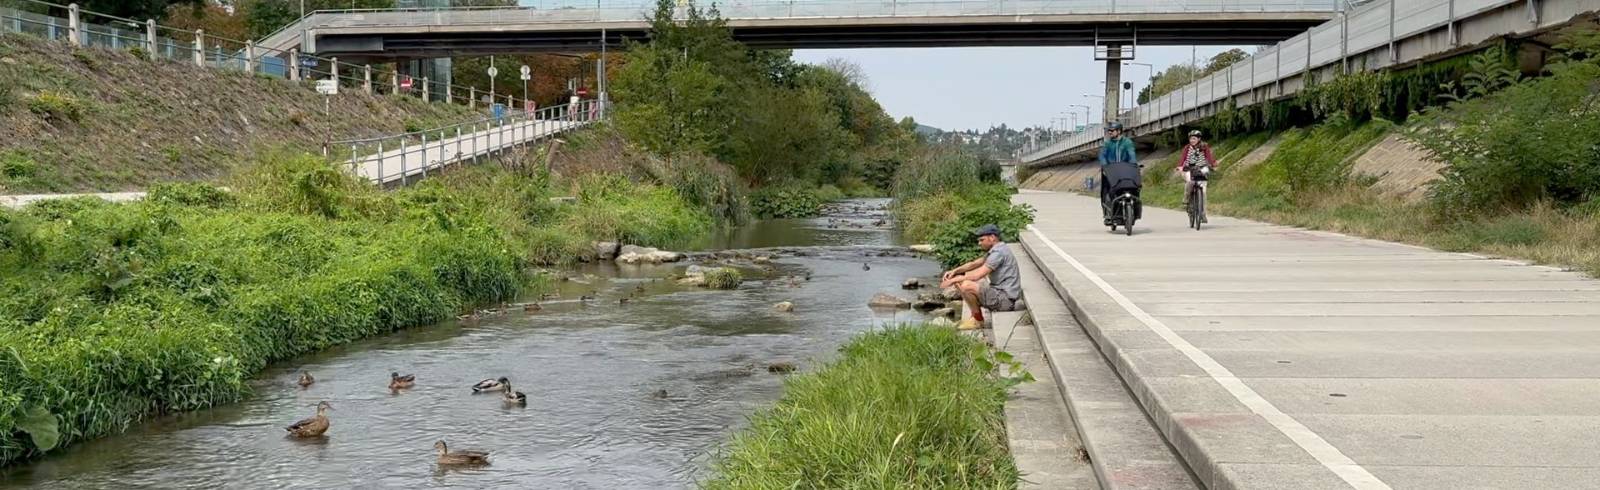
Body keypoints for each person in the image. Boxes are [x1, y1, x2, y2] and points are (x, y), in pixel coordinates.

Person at [939, 224, 1024, 331]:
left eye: (981, 240)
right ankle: (974, 317)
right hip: (998, 294)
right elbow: (974, 264)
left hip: (1005, 300)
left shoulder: (998, 253)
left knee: (967, 285)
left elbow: (977, 275)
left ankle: (978, 321)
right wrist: (954, 271)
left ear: (992, 237)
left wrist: (953, 280)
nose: (979, 243)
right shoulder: (997, 250)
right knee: (961, 283)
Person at [1098, 122, 1138, 224]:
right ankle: (1108, 214)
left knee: (1135, 188)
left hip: (1125, 170)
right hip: (1111, 171)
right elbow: (1102, 156)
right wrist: (1105, 166)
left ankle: (1135, 212)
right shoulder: (1107, 143)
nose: (1109, 132)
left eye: (1112, 130)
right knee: (1107, 191)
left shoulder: (1127, 142)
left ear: (1119, 131)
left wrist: (1133, 165)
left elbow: (1131, 154)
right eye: (1109, 131)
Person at [1177, 129, 1218, 212]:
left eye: (1194, 139)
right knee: (1190, 182)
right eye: (1191, 139)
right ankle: (1186, 199)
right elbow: (1183, 158)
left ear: (1199, 139)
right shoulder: (1187, 148)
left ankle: (1203, 213)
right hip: (1188, 168)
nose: (1192, 140)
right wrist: (1180, 166)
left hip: (1201, 168)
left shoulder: (1204, 146)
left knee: (1204, 192)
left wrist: (1213, 165)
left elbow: (1209, 157)